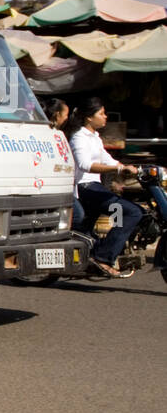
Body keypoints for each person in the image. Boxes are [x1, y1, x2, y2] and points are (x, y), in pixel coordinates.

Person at [64, 98, 142, 278]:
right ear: (89, 118)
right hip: (84, 187)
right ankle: (104, 258)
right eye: (102, 113)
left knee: (128, 211)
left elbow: (108, 159)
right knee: (129, 212)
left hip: (94, 187)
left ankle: (101, 251)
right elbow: (85, 164)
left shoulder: (95, 138)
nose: (105, 117)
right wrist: (119, 168)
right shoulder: (79, 137)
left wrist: (132, 169)